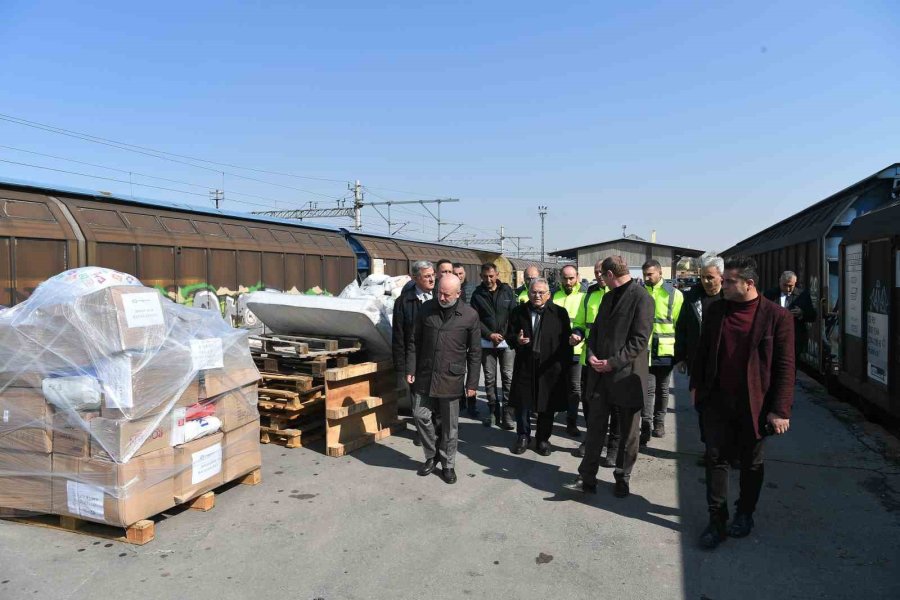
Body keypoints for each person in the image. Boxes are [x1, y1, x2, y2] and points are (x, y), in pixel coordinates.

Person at [691, 257, 795, 549]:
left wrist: (780, 409)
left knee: (751, 463)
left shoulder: (777, 316)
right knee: (715, 458)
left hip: (756, 404)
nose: (721, 285)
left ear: (749, 284)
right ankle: (716, 520)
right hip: (717, 401)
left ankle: (744, 514)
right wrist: (696, 387)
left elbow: (786, 367)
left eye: (729, 281)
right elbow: (703, 351)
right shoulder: (716, 311)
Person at [566, 256, 654, 498]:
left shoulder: (642, 298)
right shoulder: (606, 297)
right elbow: (594, 332)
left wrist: (612, 363)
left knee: (628, 433)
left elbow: (639, 341)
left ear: (610, 275)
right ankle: (587, 477)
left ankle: (622, 477)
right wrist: (592, 354)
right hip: (600, 376)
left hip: (626, 377)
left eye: (601, 275)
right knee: (595, 428)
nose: (599, 279)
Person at [406, 274, 481, 485]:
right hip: (425, 374)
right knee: (420, 415)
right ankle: (432, 455)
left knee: (450, 426)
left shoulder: (469, 315)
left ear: (458, 294)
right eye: (439, 292)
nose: (441, 297)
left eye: (446, 294)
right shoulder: (426, 309)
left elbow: (475, 352)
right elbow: (414, 341)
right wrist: (410, 367)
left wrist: (472, 384)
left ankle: (448, 464)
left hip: (451, 377)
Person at [506, 277, 572, 456]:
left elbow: (566, 342)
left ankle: (543, 439)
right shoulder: (519, 311)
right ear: (528, 293)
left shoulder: (560, 313)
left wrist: (563, 367)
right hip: (525, 364)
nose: (537, 296)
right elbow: (509, 335)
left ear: (548, 295)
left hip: (549, 366)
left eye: (541, 292)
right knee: (523, 404)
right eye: (534, 292)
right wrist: (517, 340)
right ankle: (523, 436)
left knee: (547, 404)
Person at [674, 255, 724, 465]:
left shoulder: (730, 298)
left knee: (727, 409)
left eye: (711, 277)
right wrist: (681, 357)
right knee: (704, 408)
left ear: (721, 277)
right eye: (703, 277)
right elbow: (683, 328)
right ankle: (710, 448)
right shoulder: (692, 297)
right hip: (699, 364)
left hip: (725, 364)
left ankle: (730, 449)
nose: (706, 281)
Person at [570, 260, 613, 461]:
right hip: (590, 359)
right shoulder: (589, 295)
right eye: (596, 272)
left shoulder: (619, 293)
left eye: (601, 271)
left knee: (613, 404)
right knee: (588, 401)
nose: (598, 275)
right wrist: (577, 333)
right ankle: (593, 438)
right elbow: (580, 322)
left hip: (613, 361)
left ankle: (612, 444)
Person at [392, 260, 436, 446]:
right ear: (415, 278)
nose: (432, 279)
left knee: (437, 395)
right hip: (415, 359)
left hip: (436, 355)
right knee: (418, 397)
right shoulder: (404, 302)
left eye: (433, 275)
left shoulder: (440, 297)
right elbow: (399, 336)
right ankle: (422, 431)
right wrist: (401, 366)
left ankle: (437, 428)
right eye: (427, 276)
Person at [641, 259, 683, 443]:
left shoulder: (675, 295)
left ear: (660, 273)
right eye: (645, 274)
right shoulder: (641, 293)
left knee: (663, 389)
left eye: (650, 274)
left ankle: (659, 423)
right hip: (645, 351)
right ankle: (646, 425)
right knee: (648, 390)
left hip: (666, 350)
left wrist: (681, 354)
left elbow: (680, 326)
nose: (647, 277)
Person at [470, 263, 518, 427]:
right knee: (490, 378)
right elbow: (475, 319)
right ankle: (493, 412)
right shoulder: (477, 295)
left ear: (497, 274)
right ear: (480, 276)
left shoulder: (507, 292)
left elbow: (514, 314)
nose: (488, 279)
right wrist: (490, 335)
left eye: (491, 276)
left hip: (506, 342)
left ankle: (508, 414)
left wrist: (503, 335)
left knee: (508, 378)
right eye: (485, 276)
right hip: (486, 343)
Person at [552, 265, 586, 437]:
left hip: (577, 351)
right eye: (565, 278)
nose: (568, 282)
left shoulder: (584, 297)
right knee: (555, 385)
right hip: (557, 351)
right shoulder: (553, 296)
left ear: (577, 277)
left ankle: (571, 422)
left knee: (574, 388)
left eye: (571, 278)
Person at [763, 271, 816, 367]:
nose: (788, 289)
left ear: (795, 283)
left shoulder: (802, 295)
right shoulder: (769, 294)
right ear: (779, 282)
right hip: (774, 338)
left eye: (791, 286)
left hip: (794, 339)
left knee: (791, 367)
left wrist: (802, 313)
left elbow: (812, 316)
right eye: (785, 285)